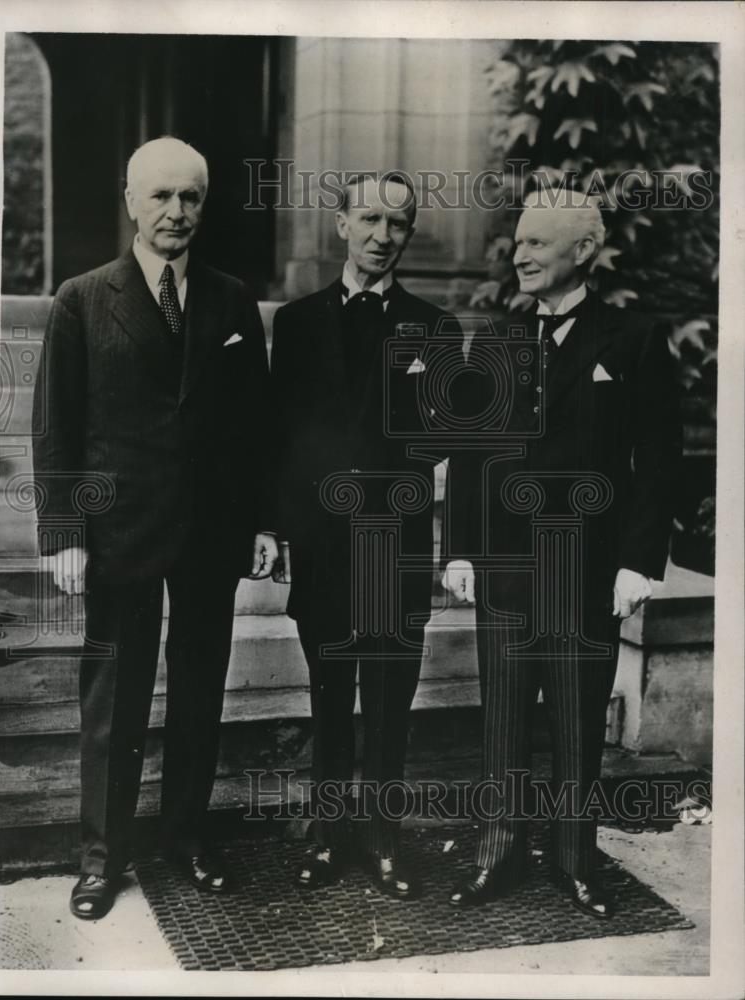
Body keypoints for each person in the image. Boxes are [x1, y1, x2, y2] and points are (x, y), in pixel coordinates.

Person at [32, 136, 278, 920]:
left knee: (200, 688)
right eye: (162, 196)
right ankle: (102, 859)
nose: (176, 211)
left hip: (210, 529)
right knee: (116, 698)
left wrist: (264, 522)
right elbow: (55, 426)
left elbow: (255, 426)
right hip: (119, 531)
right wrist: (65, 531)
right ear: (131, 201)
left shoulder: (231, 299)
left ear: (204, 204)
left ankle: (186, 839)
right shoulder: (81, 299)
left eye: (191, 197)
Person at [443, 189, 681, 918]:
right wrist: (460, 552)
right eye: (518, 241)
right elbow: (470, 455)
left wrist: (637, 562)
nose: (520, 255)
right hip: (506, 570)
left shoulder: (633, 339)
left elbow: (658, 459)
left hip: (588, 570)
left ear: (583, 251)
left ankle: (577, 862)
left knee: (577, 722)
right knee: (503, 719)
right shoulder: (494, 341)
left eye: (537, 243)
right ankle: (498, 854)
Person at [268, 173, 462, 899]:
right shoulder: (296, 324)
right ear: (342, 224)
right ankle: (327, 836)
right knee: (329, 697)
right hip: (322, 544)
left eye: (398, 223)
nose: (383, 235)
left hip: (394, 543)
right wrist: (278, 525)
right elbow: (281, 435)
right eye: (371, 219)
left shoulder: (435, 328)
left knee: (387, 700)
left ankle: (383, 841)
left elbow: (445, 437)